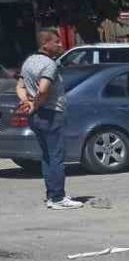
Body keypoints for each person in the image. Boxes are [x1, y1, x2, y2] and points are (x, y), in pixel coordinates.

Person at [17, 29, 81, 210]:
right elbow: (44, 89)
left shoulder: (29, 62)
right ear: (45, 44)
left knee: (47, 156)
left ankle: (51, 194)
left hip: (36, 116)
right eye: (57, 42)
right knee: (56, 157)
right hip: (51, 114)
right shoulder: (49, 65)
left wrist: (26, 102)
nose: (61, 45)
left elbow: (20, 86)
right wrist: (35, 104)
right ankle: (58, 197)